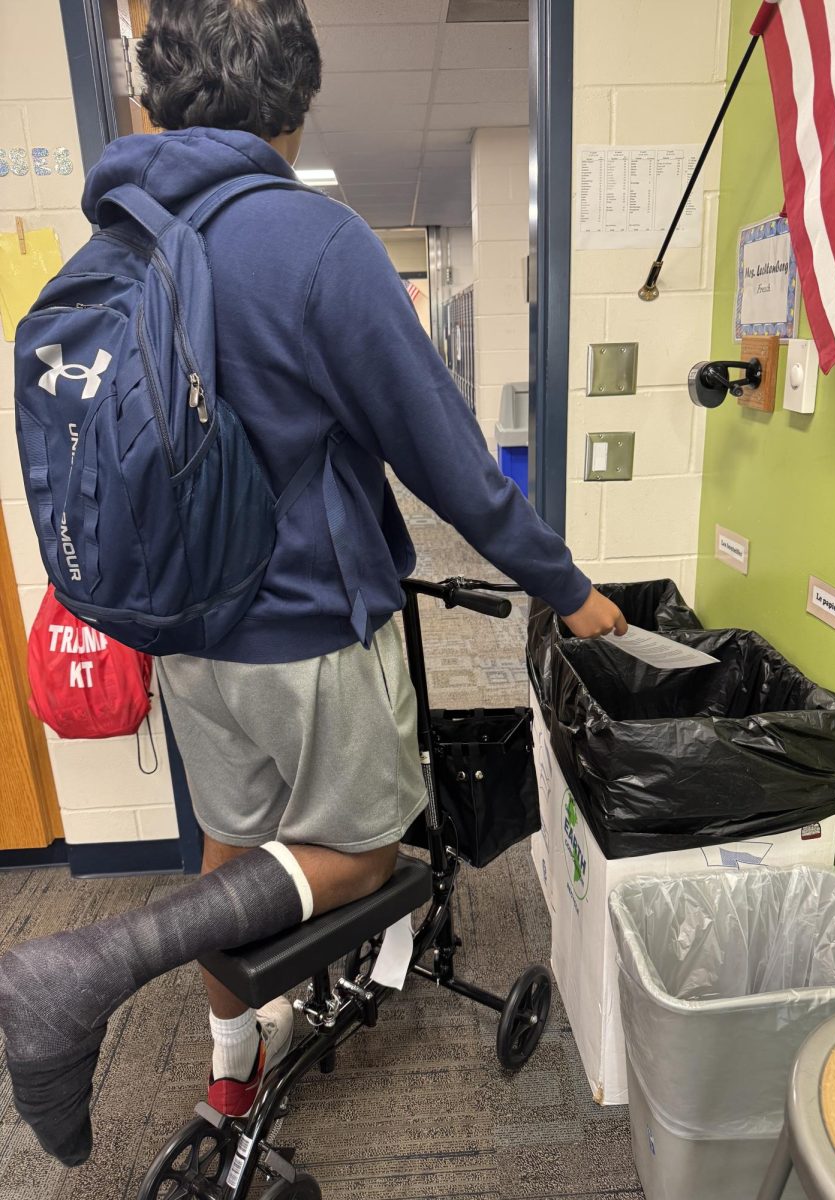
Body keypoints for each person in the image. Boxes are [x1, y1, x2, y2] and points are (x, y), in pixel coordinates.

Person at [0, 0, 626, 1168]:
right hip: (310, 631)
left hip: (186, 637)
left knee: (231, 842)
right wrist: (569, 587)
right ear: (293, 112)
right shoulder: (316, 243)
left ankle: (230, 1075)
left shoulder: (112, 243)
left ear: (153, 101)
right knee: (368, 852)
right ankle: (83, 963)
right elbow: (453, 469)